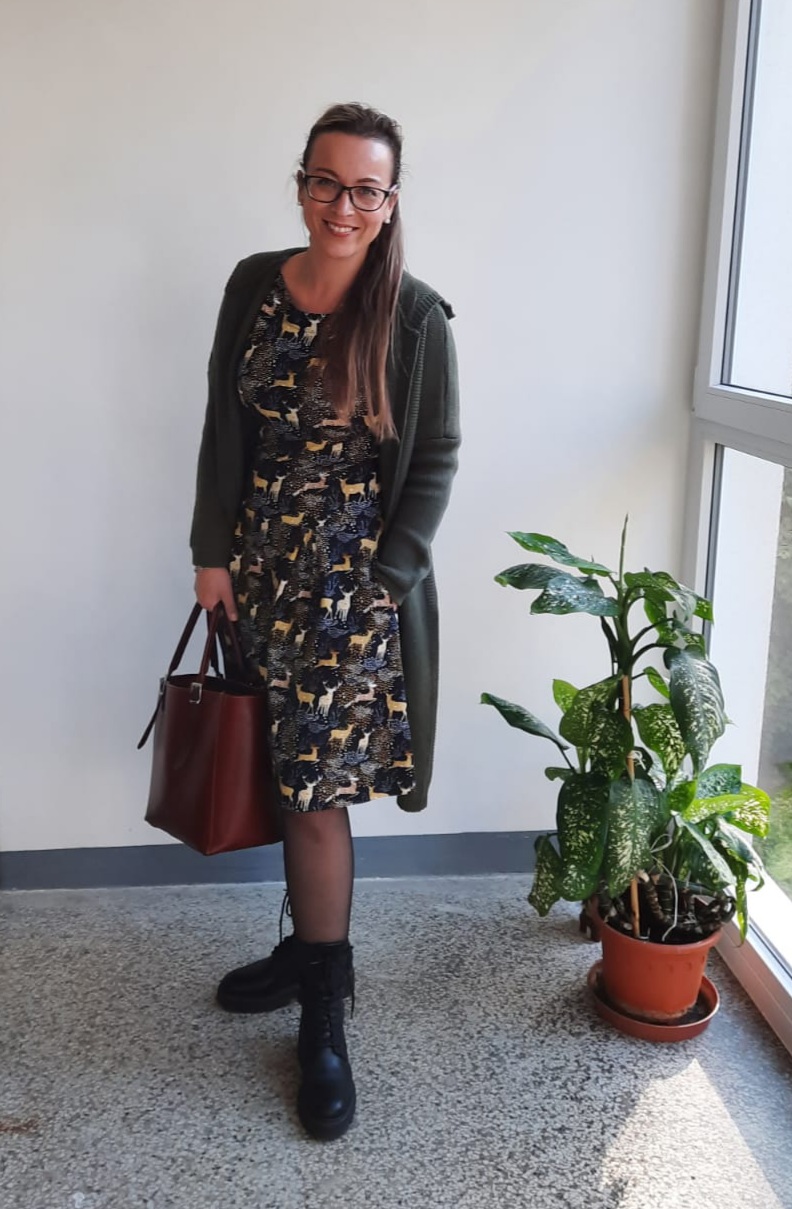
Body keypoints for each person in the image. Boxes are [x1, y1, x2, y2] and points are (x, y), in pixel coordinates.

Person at [189, 102, 460, 1141]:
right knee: (276, 767)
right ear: (300, 182)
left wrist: (388, 581)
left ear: (390, 203)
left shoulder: (414, 317)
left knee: (312, 796)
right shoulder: (254, 286)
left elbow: (435, 457)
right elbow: (225, 422)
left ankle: (325, 1012)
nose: (342, 205)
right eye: (325, 181)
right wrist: (212, 553)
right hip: (257, 573)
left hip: (351, 598)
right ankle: (304, 951)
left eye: (365, 189)